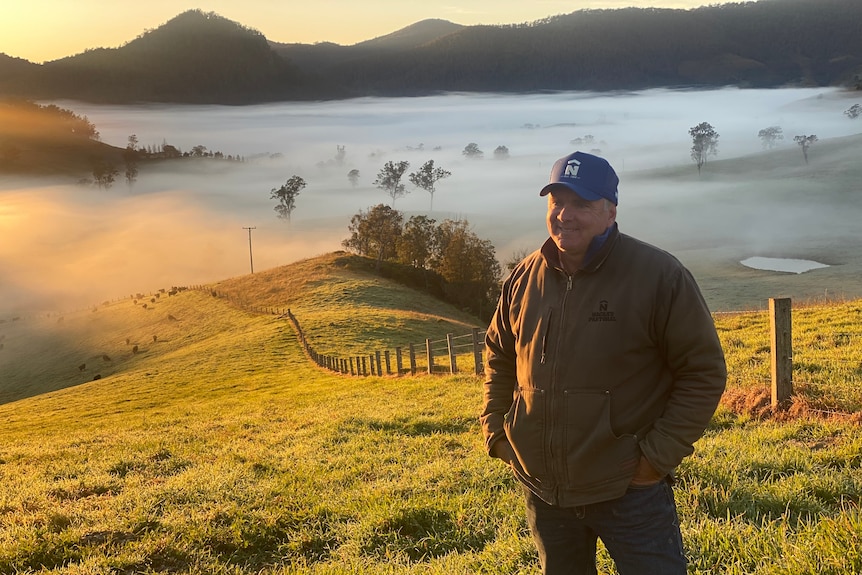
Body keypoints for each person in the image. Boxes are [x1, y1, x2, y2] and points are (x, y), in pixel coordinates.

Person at [480, 151, 727, 575]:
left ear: (610, 211)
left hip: (628, 490)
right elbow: (499, 355)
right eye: (556, 202)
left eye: (582, 203)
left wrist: (654, 461)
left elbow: (703, 372)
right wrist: (496, 430)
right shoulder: (523, 278)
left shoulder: (658, 275)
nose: (565, 215)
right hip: (545, 489)